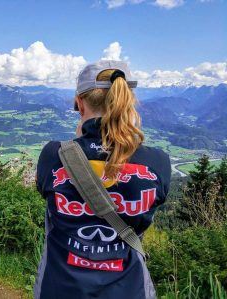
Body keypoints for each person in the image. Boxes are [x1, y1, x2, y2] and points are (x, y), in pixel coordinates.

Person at [33, 60, 172, 299]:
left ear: (79, 103)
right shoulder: (157, 162)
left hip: (58, 288)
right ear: (128, 102)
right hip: (130, 289)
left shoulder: (53, 156)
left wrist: (82, 141)